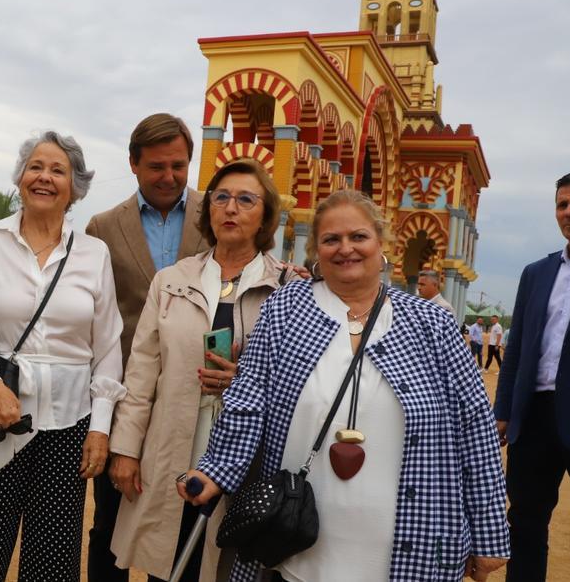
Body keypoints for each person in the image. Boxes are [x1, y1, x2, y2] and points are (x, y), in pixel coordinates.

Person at [182, 189, 509, 582]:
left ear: (380, 243)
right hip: (301, 532)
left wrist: (489, 534)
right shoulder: (285, 309)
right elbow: (248, 398)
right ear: (316, 250)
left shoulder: (431, 323)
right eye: (331, 240)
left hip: (407, 537)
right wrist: (216, 469)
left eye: (358, 237)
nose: (346, 249)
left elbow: (475, 426)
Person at [0, 131, 126, 581]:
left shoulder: (93, 253)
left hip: (69, 427)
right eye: (35, 167)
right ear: (21, 177)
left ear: (75, 187)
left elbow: (108, 348)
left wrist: (100, 429)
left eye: (57, 170)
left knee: (53, 564)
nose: (44, 177)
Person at [109, 159, 296, 582]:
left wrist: (244, 383)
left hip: (247, 456)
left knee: (229, 562)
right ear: (208, 209)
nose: (231, 208)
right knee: (171, 560)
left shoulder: (286, 289)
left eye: (246, 199)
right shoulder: (171, 280)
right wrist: (125, 449)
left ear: (265, 215)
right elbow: (141, 373)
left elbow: (297, 385)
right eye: (221, 197)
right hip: (173, 443)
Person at [82, 112, 205, 581]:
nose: (169, 176)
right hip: (124, 400)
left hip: (192, 401)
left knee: (178, 525)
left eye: (178, 165)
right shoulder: (103, 227)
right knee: (110, 523)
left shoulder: (215, 214)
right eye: (157, 166)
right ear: (133, 164)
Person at [494, 169, 570, 582]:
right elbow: (518, 346)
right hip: (534, 418)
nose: (569, 212)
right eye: (562, 204)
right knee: (524, 524)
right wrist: (504, 409)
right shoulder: (536, 273)